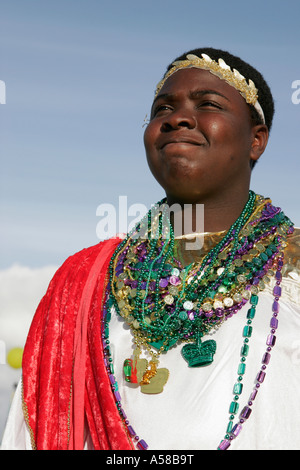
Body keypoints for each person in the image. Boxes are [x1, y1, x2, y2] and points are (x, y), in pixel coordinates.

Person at [2, 47, 300, 451]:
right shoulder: (86, 279)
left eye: (208, 103)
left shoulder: (292, 268)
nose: (176, 118)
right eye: (162, 109)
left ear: (256, 140)